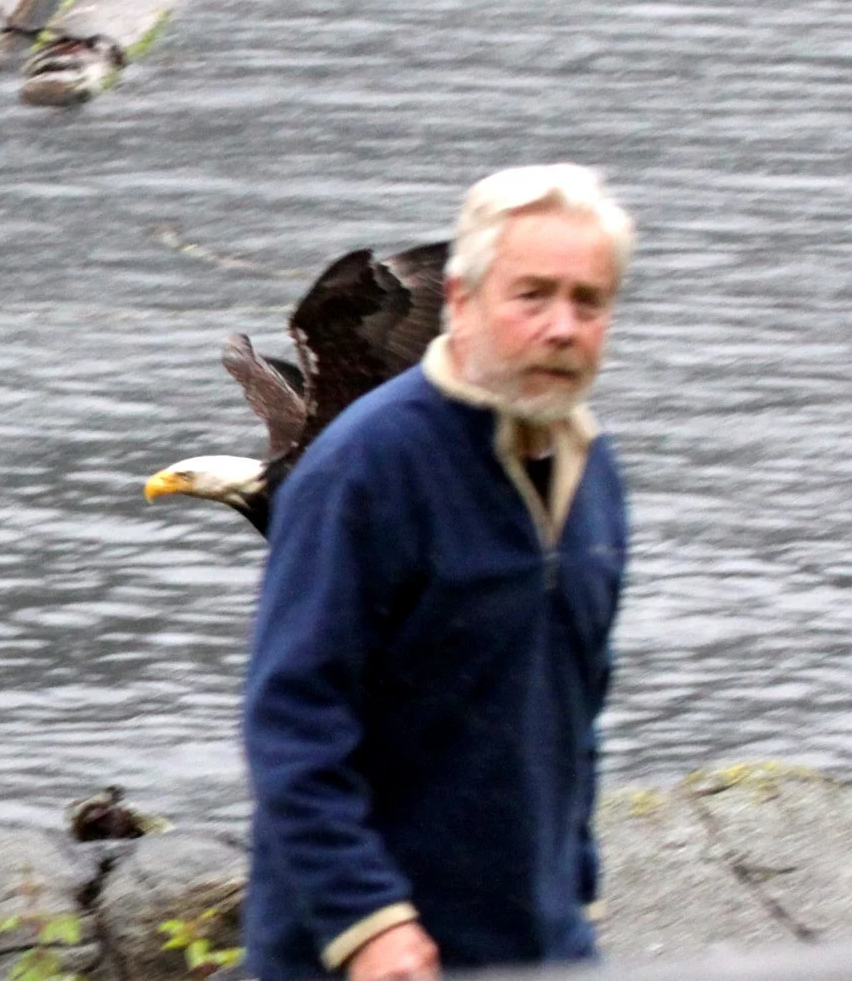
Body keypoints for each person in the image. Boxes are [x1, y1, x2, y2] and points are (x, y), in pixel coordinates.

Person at [241, 165, 633, 980]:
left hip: (533, 945)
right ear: (460, 301)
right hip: (365, 955)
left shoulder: (594, 475)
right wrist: (368, 921)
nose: (562, 325)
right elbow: (292, 723)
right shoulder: (360, 472)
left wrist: (576, 901)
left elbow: (572, 717)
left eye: (586, 301)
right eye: (531, 295)